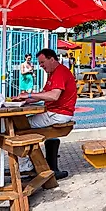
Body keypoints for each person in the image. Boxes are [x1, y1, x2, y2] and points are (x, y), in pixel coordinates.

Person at [19, 48, 77, 180]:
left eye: (42, 62)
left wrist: (29, 95)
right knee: (21, 124)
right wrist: (25, 99)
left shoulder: (60, 72)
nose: (41, 66)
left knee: (20, 127)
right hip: (54, 112)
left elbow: (54, 96)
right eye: (39, 63)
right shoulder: (53, 73)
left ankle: (27, 166)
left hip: (58, 114)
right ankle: (35, 165)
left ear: (52, 59)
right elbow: (43, 95)